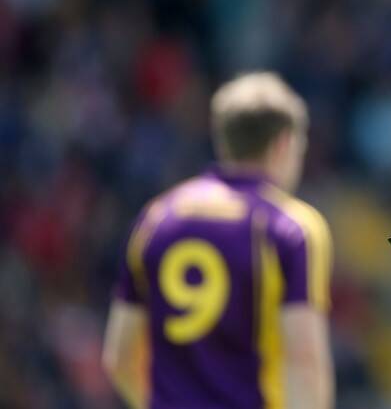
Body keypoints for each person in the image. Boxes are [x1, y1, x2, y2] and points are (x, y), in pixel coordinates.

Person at [102, 72, 334, 409]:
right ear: (284, 143)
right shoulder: (291, 227)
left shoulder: (156, 218)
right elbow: (304, 361)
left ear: (222, 139)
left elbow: (119, 357)